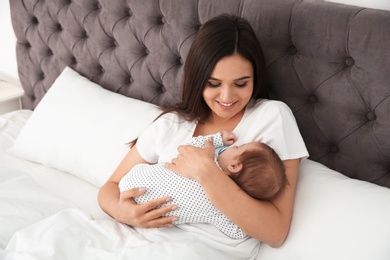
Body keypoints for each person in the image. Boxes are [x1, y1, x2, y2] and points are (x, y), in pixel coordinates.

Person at [98, 14, 308, 247]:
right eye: (214, 84)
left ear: (255, 78)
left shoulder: (272, 117)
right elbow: (109, 188)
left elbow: (275, 232)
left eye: (241, 84)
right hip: (137, 241)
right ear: (198, 79)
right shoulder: (172, 124)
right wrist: (123, 212)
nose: (227, 97)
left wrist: (206, 171)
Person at [118, 131, 288, 239]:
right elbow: (237, 232)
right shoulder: (221, 206)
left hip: (133, 183)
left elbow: (188, 147)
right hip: (144, 213)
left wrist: (216, 139)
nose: (235, 145)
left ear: (235, 166)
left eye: (239, 147)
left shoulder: (207, 158)